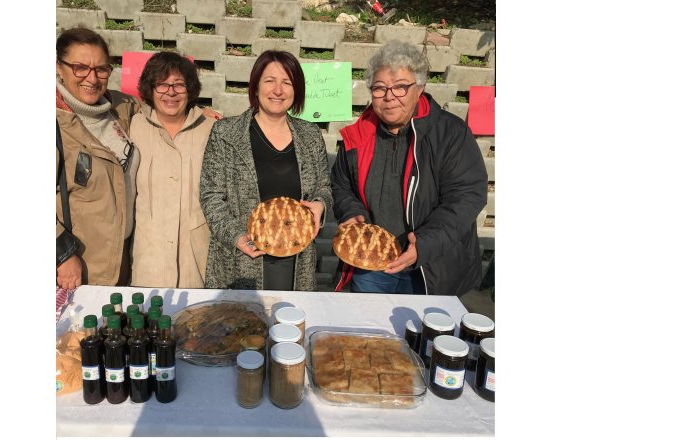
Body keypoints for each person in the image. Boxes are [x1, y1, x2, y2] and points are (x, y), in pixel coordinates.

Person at [331, 40, 487, 295]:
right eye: (380, 88)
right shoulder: (358, 135)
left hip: (431, 267)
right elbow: (341, 184)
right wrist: (351, 212)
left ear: (420, 88)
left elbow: (467, 196)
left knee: (423, 333)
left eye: (401, 87)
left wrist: (423, 245)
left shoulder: (450, 134)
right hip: (371, 265)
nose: (389, 96)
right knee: (371, 332)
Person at [200, 50, 333, 291]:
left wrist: (321, 205)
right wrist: (237, 237)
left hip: (296, 259)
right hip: (243, 258)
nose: (278, 90)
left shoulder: (311, 135)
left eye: (287, 82)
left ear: (297, 89)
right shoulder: (226, 134)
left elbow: (324, 187)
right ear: (256, 86)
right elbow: (211, 195)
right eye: (269, 81)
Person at [56, 27, 140, 291]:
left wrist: (200, 112)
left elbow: (162, 103)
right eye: (80, 67)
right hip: (79, 268)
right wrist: (62, 255)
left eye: (101, 69)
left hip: (122, 264)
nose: (92, 78)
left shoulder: (120, 107)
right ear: (59, 67)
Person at [129, 52, 216, 288]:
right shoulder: (132, 125)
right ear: (150, 88)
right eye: (162, 84)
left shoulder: (212, 130)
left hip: (196, 261)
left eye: (179, 85)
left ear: (190, 90)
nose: (170, 92)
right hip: (149, 262)